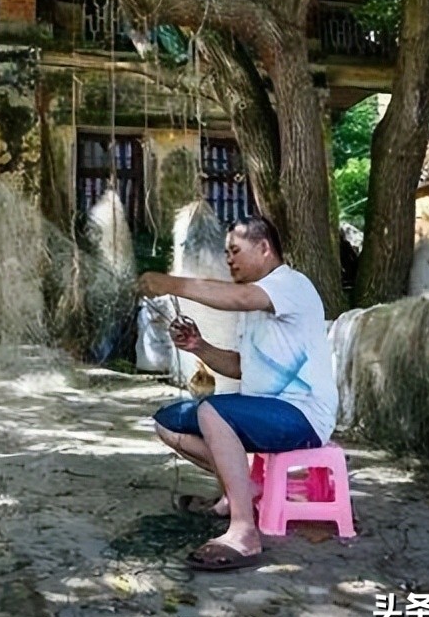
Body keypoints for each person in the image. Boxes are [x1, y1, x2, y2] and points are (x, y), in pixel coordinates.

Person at [138, 214, 336, 571]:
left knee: (213, 410)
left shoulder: (290, 284)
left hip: (303, 417)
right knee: (168, 423)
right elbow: (241, 367)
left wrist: (171, 283)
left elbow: (239, 297)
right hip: (266, 413)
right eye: (226, 252)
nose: (228, 259)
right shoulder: (256, 308)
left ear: (263, 248)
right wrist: (199, 346)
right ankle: (241, 493)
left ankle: (245, 533)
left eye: (234, 251)